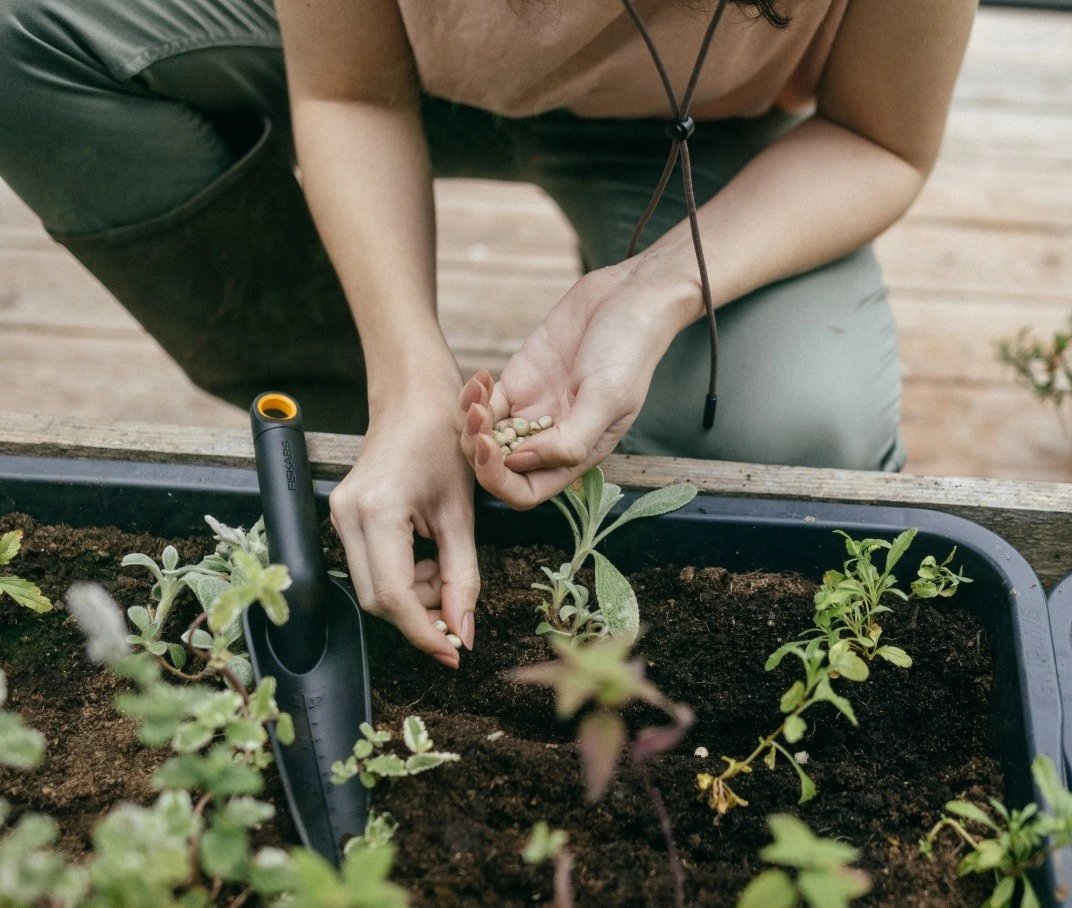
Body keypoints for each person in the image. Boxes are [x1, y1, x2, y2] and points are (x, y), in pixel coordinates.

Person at [0, 0, 976, 667]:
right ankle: (393, 445)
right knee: (28, 34)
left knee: (802, 433)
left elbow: (881, 133)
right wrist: (407, 383)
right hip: (387, 57)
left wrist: (655, 291)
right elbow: (348, 90)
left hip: (692, 117)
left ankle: (479, 452)